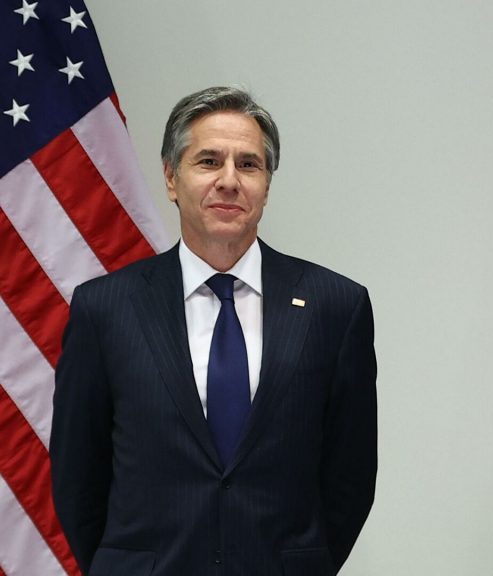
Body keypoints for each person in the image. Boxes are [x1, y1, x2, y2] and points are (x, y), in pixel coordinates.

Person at [51, 86, 377, 576]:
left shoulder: (335, 306)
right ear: (171, 178)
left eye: (248, 165)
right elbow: (78, 475)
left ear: (267, 185)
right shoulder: (106, 308)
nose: (229, 181)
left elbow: (349, 476)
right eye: (208, 161)